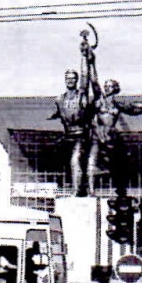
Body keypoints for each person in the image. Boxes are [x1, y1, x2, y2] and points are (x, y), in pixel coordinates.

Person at [87, 78, 142, 196]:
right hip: (98, 136)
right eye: (105, 86)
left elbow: (134, 109)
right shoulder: (99, 101)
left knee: (117, 163)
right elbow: (94, 82)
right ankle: (91, 191)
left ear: (115, 88)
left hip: (110, 136)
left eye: (110, 86)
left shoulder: (118, 105)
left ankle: (120, 190)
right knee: (91, 162)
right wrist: (90, 67)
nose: (106, 88)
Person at [49, 36, 99, 197]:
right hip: (67, 137)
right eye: (68, 78)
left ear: (76, 80)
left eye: (73, 78)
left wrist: (84, 56)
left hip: (80, 136)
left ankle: (77, 191)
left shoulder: (81, 96)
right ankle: (79, 188)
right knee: (68, 164)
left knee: (75, 160)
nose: (70, 81)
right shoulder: (59, 100)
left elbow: (85, 77)